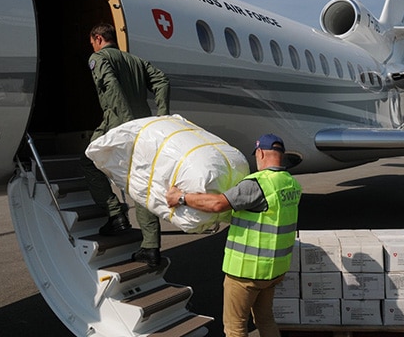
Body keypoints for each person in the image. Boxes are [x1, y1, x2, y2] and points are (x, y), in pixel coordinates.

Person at [166, 134, 302, 337]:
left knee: (235, 327)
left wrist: (181, 198)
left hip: (246, 271)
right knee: (265, 320)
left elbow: (217, 203)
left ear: (261, 152)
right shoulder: (290, 184)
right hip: (273, 269)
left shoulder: (257, 184)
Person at [81, 22, 170, 267]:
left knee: (88, 163)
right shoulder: (136, 61)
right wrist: (163, 116)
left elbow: (111, 87)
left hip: (120, 123)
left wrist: (124, 124)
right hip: (144, 125)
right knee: (141, 183)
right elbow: (162, 80)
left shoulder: (99, 58)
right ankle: (151, 247)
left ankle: (115, 212)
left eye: (92, 42)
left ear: (98, 39)